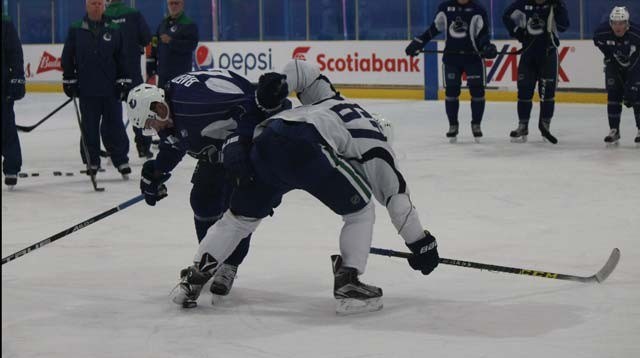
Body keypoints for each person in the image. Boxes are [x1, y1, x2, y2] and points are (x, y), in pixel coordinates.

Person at [173, 60, 440, 314]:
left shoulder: (331, 98)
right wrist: (422, 244)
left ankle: (195, 276)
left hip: (267, 138)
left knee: (239, 219)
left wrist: (279, 85)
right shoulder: (376, 144)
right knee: (360, 211)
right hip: (306, 146)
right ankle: (348, 280)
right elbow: (398, 202)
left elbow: (301, 70)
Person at [125, 69, 290, 300]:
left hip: (248, 145)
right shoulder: (168, 108)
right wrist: (157, 171)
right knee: (202, 201)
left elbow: (255, 105)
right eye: (150, 126)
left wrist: (244, 147)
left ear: (156, 105)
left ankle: (229, 265)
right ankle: (211, 260)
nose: (156, 128)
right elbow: (175, 142)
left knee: (240, 209)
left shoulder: (194, 103)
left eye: (152, 121)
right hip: (220, 149)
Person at [405, 0, 497, 142]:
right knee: (451, 92)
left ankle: (476, 124)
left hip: (473, 58)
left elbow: (483, 34)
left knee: (477, 91)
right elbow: (434, 29)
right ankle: (453, 125)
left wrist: (486, 47)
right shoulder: (445, 8)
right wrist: (419, 42)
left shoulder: (478, 9)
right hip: (451, 59)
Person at [61, 0, 132, 177]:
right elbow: (68, 55)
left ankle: (121, 159)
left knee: (114, 125)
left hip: (110, 89)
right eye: (93, 3)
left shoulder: (114, 28)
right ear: (86, 5)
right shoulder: (76, 28)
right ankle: (92, 161)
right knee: (89, 127)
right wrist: (69, 78)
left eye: (99, 3)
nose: (96, 6)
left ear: (104, 6)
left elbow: (122, 56)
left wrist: (123, 79)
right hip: (87, 88)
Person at [503, 0, 570, 144]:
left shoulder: (554, 4)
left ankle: (545, 126)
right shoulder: (522, 4)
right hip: (528, 56)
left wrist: (559, 8)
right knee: (524, 90)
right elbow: (506, 16)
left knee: (547, 94)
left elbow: (564, 26)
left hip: (548, 56)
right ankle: (523, 126)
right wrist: (517, 32)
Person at [104, 0, 154, 159]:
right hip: (132, 70)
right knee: (139, 109)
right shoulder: (134, 14)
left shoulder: (102, 16)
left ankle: (115, 150)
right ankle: (144, 146)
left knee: (110, 113)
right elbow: (146, 39)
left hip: (109, 73)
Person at [593, 6, 640, 146]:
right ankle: (614, 130)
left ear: (627, 23)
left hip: (636, 65)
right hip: (614, 66)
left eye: (621, 23)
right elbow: (598, 42)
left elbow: (636, 62)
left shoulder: (637, 35)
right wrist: (609, 56)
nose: (617, 27)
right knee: (613, 95)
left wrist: (631, 87)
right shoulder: (602, 33)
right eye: (614, 23)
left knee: (636, 95)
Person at [146, 0, 199, 89]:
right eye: (171, 3)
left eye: (176, 3)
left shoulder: (189, 24)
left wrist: (171, 41)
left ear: (182, 4)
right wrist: (151, 66)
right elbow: (155, 44)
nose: (173, 6)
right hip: (163, 76)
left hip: (181, 76)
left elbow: (191, 45)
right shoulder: (162, 24)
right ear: (168, 5)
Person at [2, 15, 26, 188]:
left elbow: (15, 53)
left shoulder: (5, 24)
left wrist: (17, 79)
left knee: (6, 127)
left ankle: (11, 167)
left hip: (2, 89)